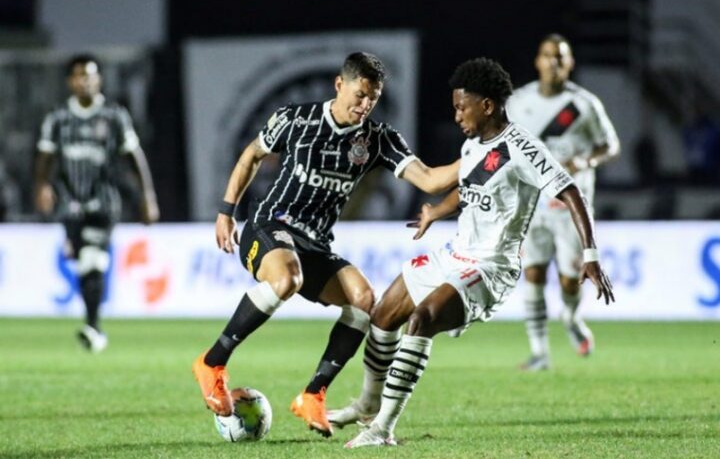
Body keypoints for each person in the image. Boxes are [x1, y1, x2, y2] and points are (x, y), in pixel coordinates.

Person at [327, 57, 614, 448]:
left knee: (423, 317)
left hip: (490, 266)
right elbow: (469, 184)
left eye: (462, 107)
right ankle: (366, 403)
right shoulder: (474, 143)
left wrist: (591, 255)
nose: (457, 115)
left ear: (488, 106)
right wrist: (435, 211)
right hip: (455, 254)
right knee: (384, 313)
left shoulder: (524, 149)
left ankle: (383, 429)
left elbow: (570, 191)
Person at [191, 52, 459, 437]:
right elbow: (252, 155)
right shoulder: (295, 119)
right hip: (269, 226)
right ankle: (212, 362)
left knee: (366, 301)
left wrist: (477, 157)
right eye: (360, 94)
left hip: (314, 243)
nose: (365, 105)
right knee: (287, 279)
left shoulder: (377, 139)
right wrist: (226, 211)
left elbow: (431, 180)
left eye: (374, 98)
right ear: (339, 84)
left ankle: (313, 394)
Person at [505, 34, 620, 370]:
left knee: (571, 279)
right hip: (529, 205)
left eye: (560, 56)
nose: (553, 62)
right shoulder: (517, 101)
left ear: (569, 64)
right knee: (534, 274)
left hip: (570, 208)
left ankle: (570, 319)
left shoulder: (584, 104)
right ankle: (539, 353)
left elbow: (611, 146)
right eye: (547, 55)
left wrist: (586, 161)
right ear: (537, 61)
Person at [34, 54, 160, 352]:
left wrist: (148, 196)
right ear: (70, 81)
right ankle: (94, 324)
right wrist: (42, 186)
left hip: (103, 203)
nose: (84, 81)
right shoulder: (58, 117)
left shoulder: (114, 115)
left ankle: (93, 328)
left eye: (89, 76)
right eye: (78, 76)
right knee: (84, 265)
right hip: (69, 204)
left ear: (99, 79)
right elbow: (45, 156)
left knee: (93, 261)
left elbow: (134, 156)